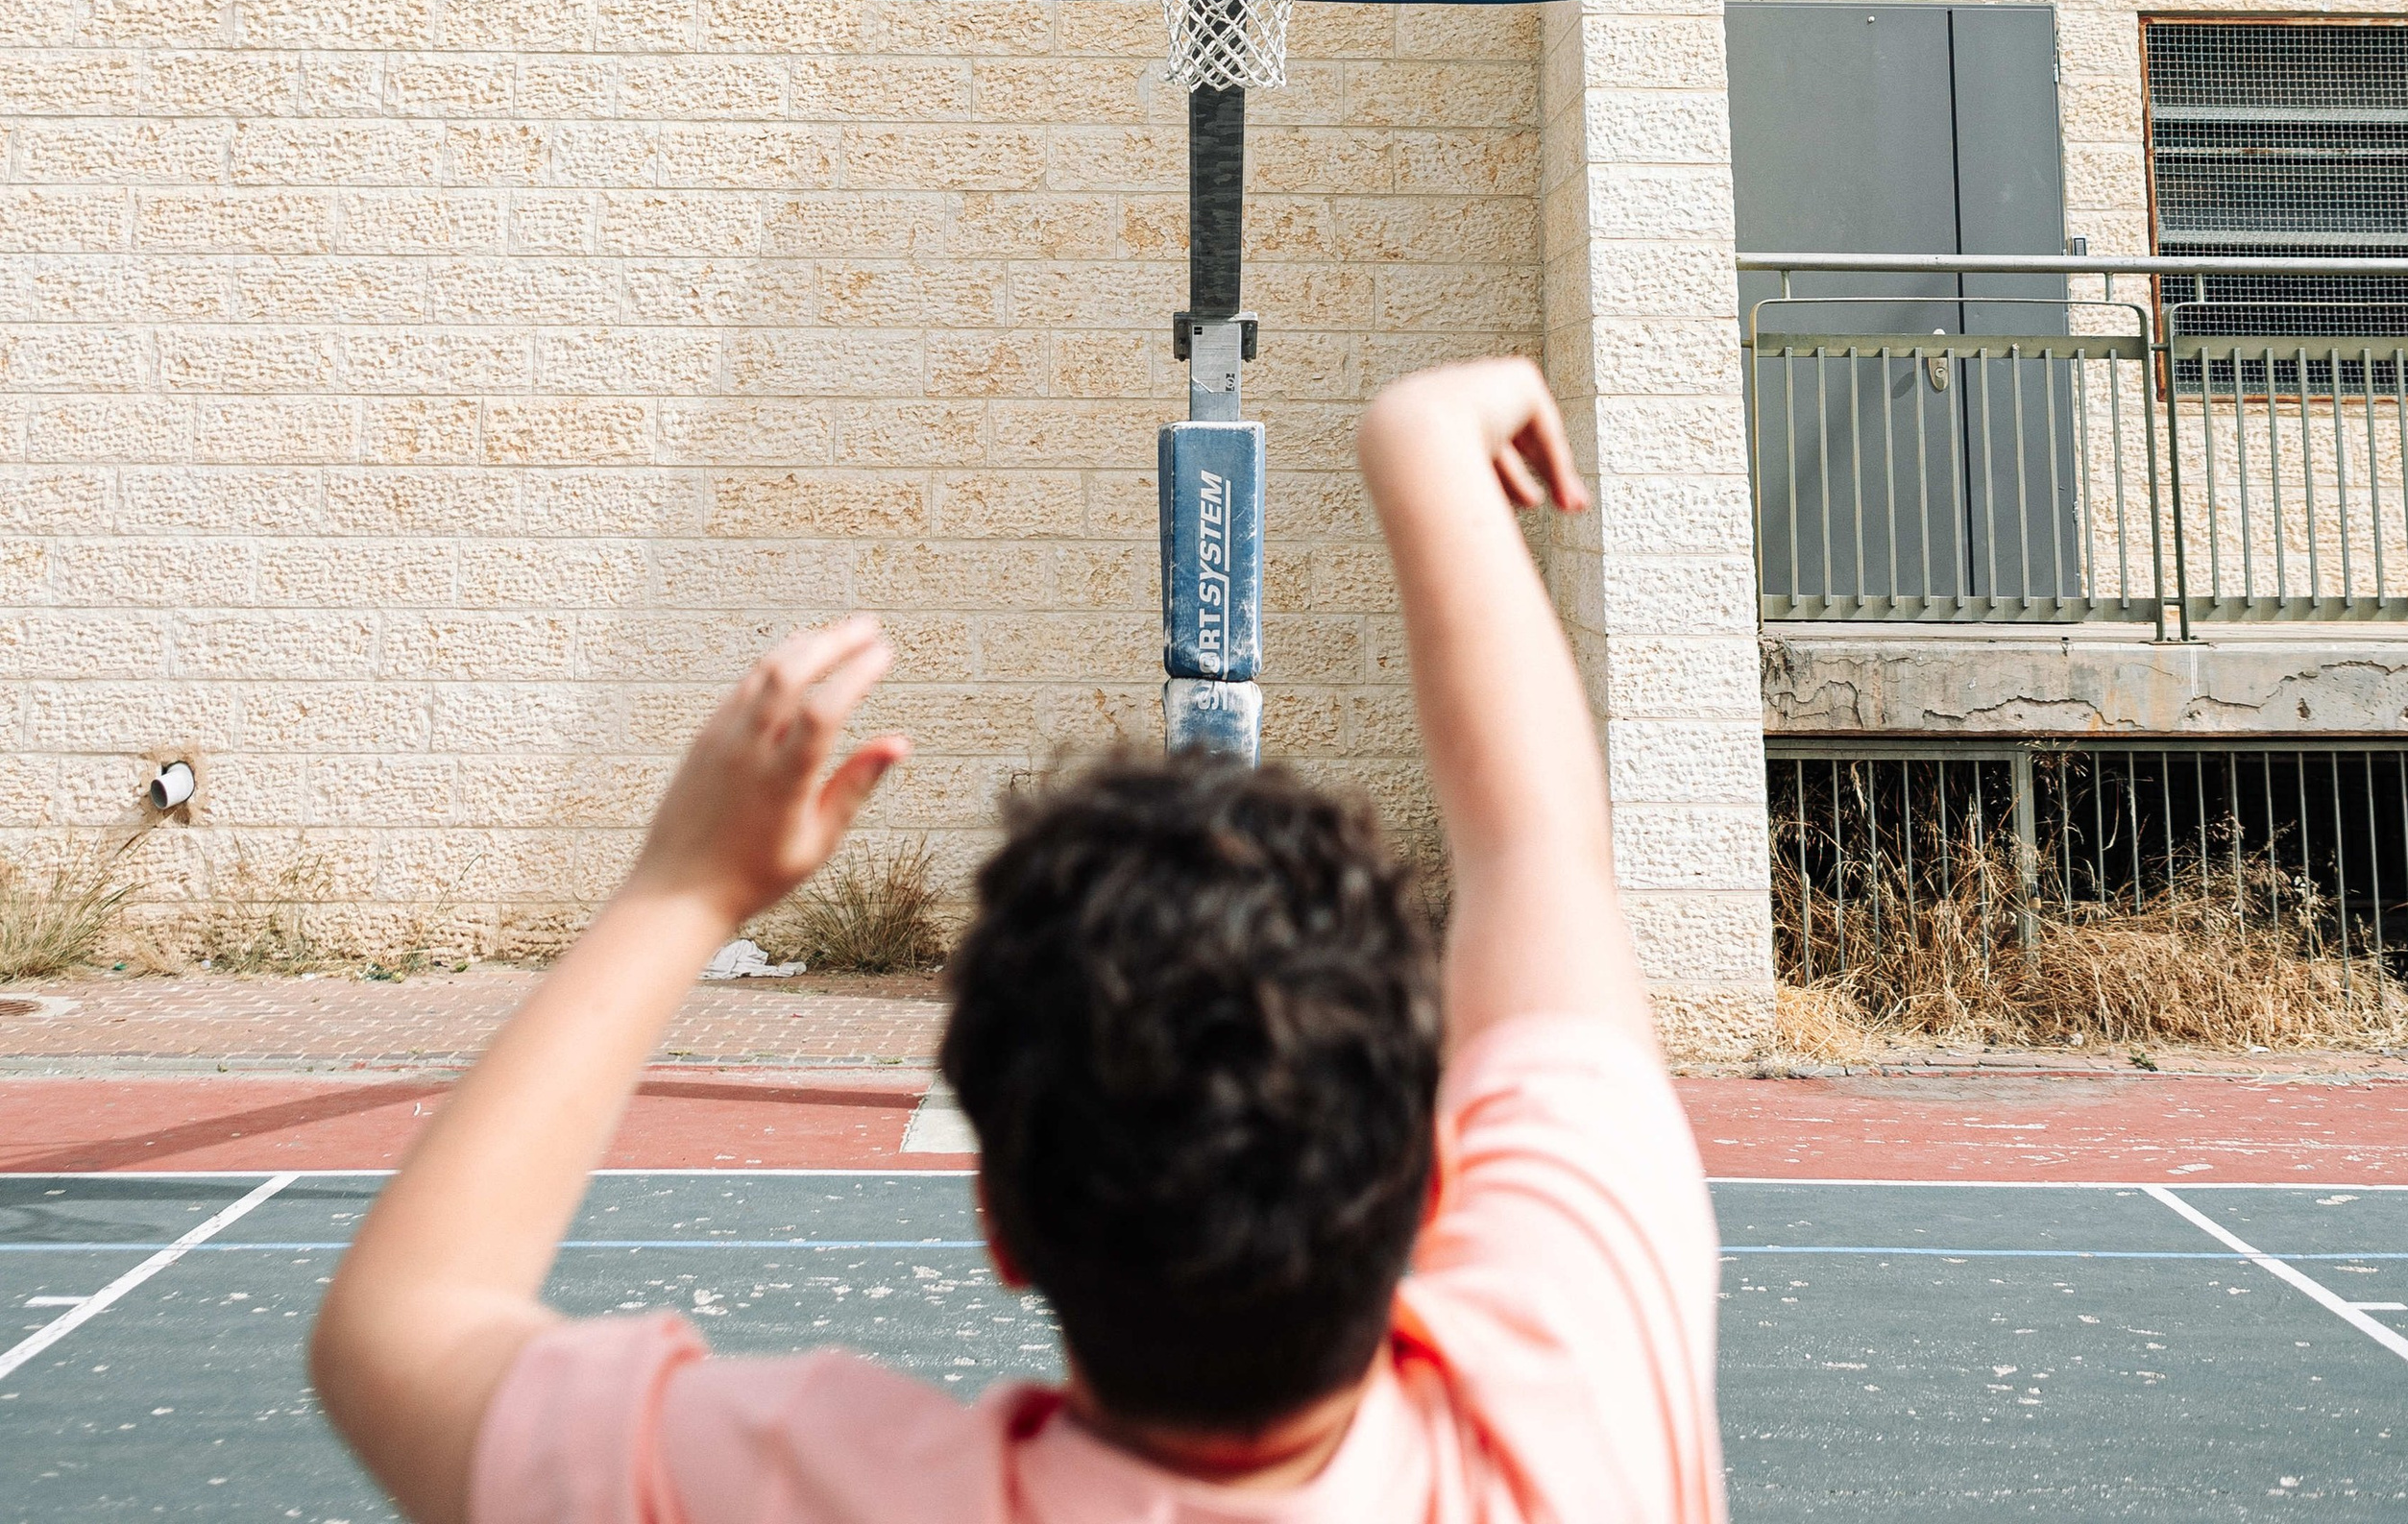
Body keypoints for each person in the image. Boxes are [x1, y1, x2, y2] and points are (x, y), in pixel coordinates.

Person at [310, 356, 1727, 1520]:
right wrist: (1422, 451)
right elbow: (1537, 847)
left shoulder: (825, 1496)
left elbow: (402, 1325)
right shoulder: (1576, 1402)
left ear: (997, 1219)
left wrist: (679, 892)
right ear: (1432, 1180)